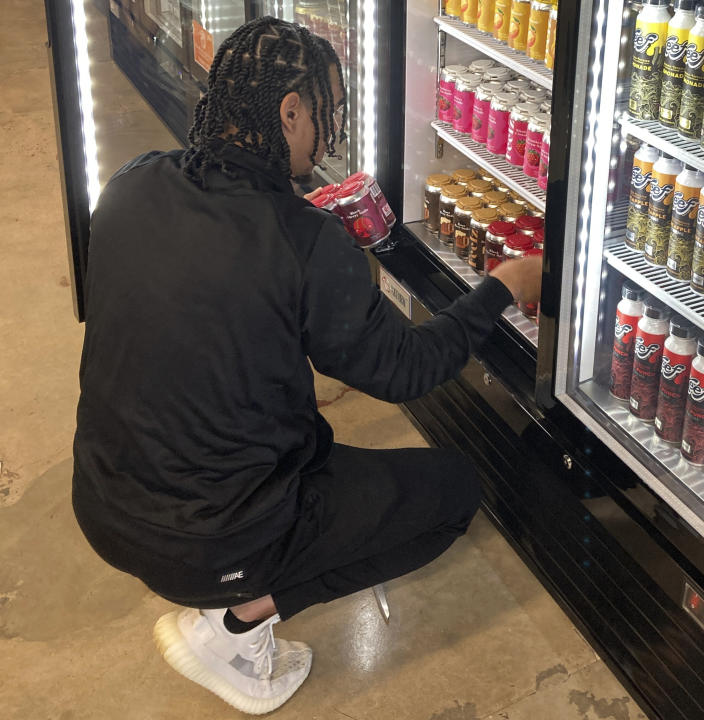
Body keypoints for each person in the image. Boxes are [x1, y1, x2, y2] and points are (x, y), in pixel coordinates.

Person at [71, 17, 542, 715]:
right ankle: (236, 625)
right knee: (453, 490)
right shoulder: (304, 243)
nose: (334, 129)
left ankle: (234, 591)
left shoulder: (133, 182)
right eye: (330, 111)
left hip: (104, 505)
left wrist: (304, 240)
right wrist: (505, 287)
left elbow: (205, 290)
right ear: (290, 111)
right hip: (209, 539)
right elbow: (409, 368)